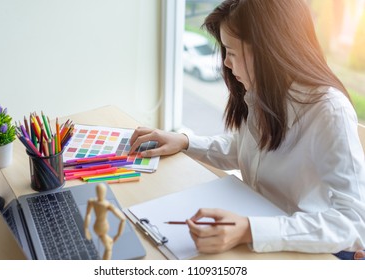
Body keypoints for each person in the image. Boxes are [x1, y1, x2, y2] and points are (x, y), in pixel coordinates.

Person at [129, 0, 365, 259]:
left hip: (308, 248)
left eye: (231, 51)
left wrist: (249, 230)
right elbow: (245, 148)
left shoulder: (329, 111)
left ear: (268, 50)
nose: (227, 64)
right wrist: (185, 142)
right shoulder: (262, 91)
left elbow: (354, 222)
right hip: (260, 228)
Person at [84, 183, 126, 260]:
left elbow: (88, 215)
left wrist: (86, 229)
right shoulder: (107, 204)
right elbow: (123, 219)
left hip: (96, 227)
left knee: (110, 241)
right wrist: (118, 234)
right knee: (109, 249)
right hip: (102, 229)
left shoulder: (92, 201)